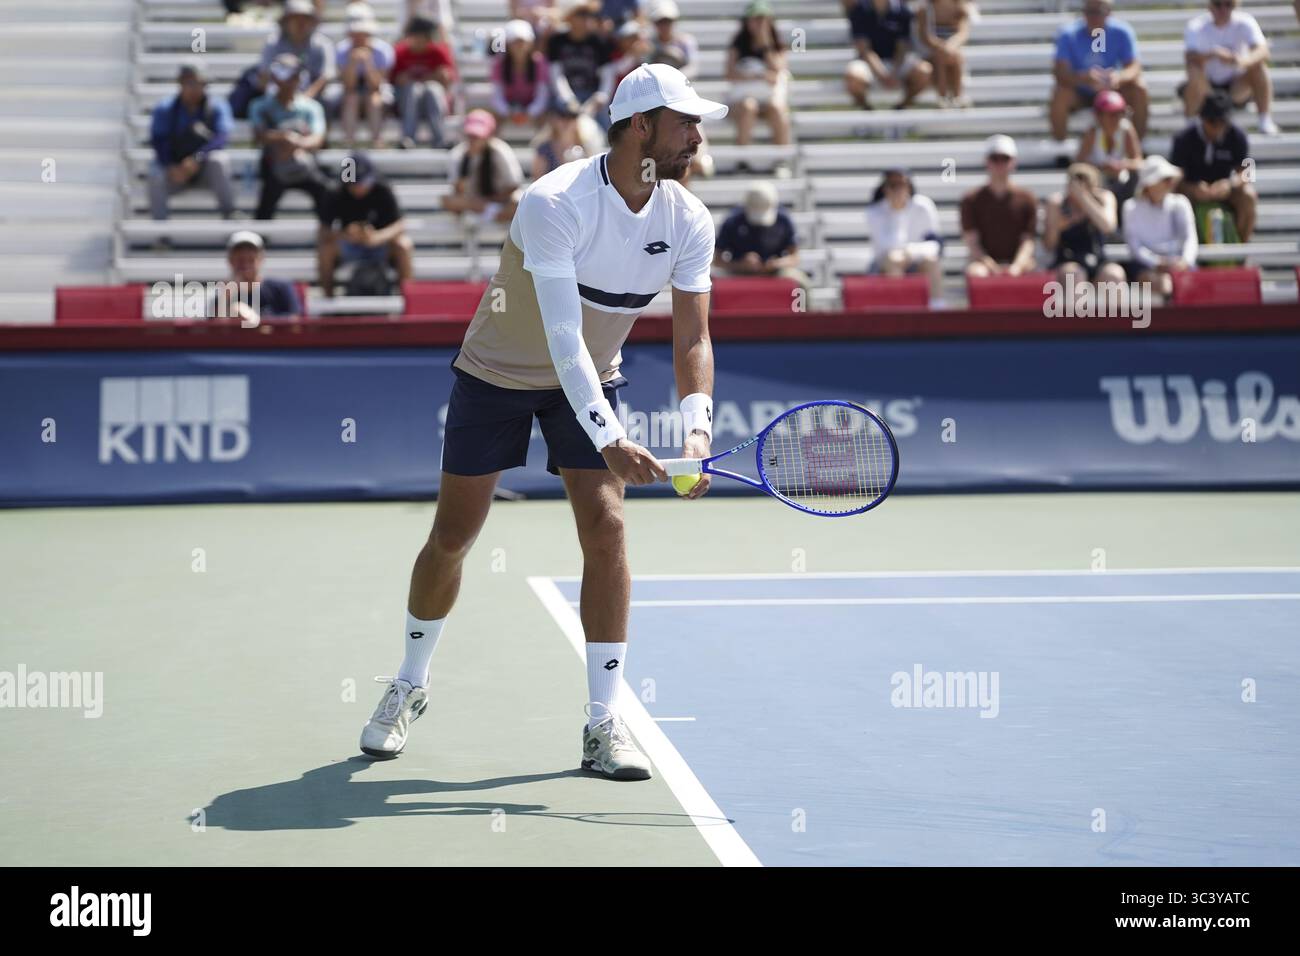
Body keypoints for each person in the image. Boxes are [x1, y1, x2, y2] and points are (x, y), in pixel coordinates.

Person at [358, 64, 730, 781]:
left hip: (589, 381)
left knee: (608, 528)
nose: (697, 135)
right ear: (641, 125)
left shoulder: (688, 218)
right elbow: (563, 338)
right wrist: (611, 437)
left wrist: (697, 431)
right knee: (454, 536)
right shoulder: (554, 200)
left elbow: (693, 340)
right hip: (498, 375)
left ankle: (602, 724)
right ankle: (409, 680)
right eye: (685, 121)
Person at [317, 153, 414, 298]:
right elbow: (323, 231)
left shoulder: (382, 188)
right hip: (350, 246)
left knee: (404, 245)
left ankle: (408, 300)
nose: (360, 187)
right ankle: (328, 303)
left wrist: (377, 237)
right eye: (355, 183)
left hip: (380, 244)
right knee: (326, 250)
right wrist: (347, 235)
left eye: (363, 182)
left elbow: (400, 224)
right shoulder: (335, 192)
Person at [148, 63, 235, 222]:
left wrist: (197, 159)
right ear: (180, 83)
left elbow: (221, 138)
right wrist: (170, 165)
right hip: (175, 171)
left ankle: (230, 216)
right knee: (155, 172)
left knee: (219, 160)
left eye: (201, 84)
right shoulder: (165, 108)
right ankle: (160, 234)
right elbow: (158, 140)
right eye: (191, 83)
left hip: (205, 170)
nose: (196, 88)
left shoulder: (217, 107)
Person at [1050, 0, 1148, 141]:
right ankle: (1059, 147)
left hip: (1115, 91)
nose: (1093, 17)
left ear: (1109, 12)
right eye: (1089, 11)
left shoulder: (1122, 31)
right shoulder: (1068, 34)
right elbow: (1060, 72)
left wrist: (1118, 77)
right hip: (1081, 93)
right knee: (1061, 94)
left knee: (1139, 88)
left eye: (1098, 12)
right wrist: (1084, 78)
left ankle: (1137, 145)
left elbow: (1134, 67)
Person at [249, 55, 330, 220]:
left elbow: (318, 139)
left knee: (327, 193)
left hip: (305, 164)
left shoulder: (311, 107)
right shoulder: (259, 105)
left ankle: (327, 236)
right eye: (284, 74)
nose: (289, 80)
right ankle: (259, 239)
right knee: (265, 206)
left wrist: (295, 144)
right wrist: (284, 139)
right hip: (273, 166)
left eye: (294, 75)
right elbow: (259, 136)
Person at [1182, 0, 1279, 135]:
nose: (1223, 9)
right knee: (1193, 69)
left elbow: (1263, 51)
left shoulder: (1245, 21)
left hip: (1236, 88)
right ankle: (1190, 126)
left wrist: (1240, 61)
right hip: (1206, 89)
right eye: (1218, 4)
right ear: (1210, 6)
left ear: (1235, 6)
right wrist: (1213, 54)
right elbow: (1189, 56)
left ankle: (1265, 120)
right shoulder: (1196, 25)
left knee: (1259, 67)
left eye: (1228, 5)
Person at [1171, 91, 1256, 241]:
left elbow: (1248, 172)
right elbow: (1174, 175)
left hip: (1226, 192)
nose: (1217, 127)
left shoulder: (1238, 136)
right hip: (1192, 193)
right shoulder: (1183, 138)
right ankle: (1188, 247)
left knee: (1249, 196)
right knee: (1176, 199)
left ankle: (1240, 252)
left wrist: (1230, 185)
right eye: (1212, 121)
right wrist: (1192, 188)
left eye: (1222, 122)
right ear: (1202, 118)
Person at [961, 134, 1039, 278]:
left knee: (1032, 269)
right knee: (977, 273)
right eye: (994, 158)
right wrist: (992, 266)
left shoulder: (1027, 198)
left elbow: (1028, 241)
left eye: (1005, 158)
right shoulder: (971, 199)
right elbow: (972, 243)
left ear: (1013, 162)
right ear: (986, 161)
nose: (999, 163)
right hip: (983, 263)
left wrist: (1016, 266)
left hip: (1018, 261)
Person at [713, 182, 811, 296]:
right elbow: (718, 260)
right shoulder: (733, 221)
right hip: (739, 272)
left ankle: (803, 312)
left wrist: (777, 263)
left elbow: (795, 257)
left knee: (802, 282)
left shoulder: (784, 219)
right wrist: (740, 264)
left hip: (775, 272)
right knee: (710, 284)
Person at [726, 0, 792, 166]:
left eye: (763, 19)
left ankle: (781, 161)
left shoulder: (776, 45)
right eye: (756, 18)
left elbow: (778, 71)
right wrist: (758, 76)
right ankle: (741, 161)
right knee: (749, 107)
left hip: (768, 101)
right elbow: (730, 74)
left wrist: (765, 45)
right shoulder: (738, 43)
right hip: (741, 101)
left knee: (777, 108)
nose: (760, 23)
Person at [865, 169, 944, 304]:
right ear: (885, 189)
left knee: (931, 261)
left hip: (917, 258)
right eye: (893, 185)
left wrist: (910, 252)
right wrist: (897, 211)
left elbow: (935, 244)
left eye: (902, 184)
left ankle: (938, 309)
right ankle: (901, 307)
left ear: (909, 186)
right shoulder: (874, 212)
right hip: (884, 265)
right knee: (894, 259)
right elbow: (885, 247)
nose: (898, 189)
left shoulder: (924, 206)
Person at [1122, 155, 1197, 297]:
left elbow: (1190, 238)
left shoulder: (1180, 203)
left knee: (1193, 285)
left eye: (1170, 179)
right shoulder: (1131, 207)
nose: (1170, 183)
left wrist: (1185, 261)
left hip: (1178, 262)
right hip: (1145, 266)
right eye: (1164, 179)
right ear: (1149, 184)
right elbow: (1135, 247)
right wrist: (1157, 262)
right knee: (1164, 285)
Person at [1043, 163, 1125, 288]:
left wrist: (1083, 198)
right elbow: (1049, 244)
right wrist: (1067, 222)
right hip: (1068, 259)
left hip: (1097, 258)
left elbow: (1108, 226)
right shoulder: (1057, 203)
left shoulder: (1104, 198)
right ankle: (1077, 309)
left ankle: (1114, 309)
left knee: (1114, 275)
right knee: (1074, 275)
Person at [843, 0, 934, 111]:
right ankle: (867, 111)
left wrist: (894, 73)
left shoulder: (902, 10)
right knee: (853, 77)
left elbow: (902, 47)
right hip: (868, 63)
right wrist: (883, 75)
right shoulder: (859, 10)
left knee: (924, 71)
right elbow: (865, 50)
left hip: (897, 62)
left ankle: (901, 108)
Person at [440, 109, 525, 225]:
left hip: (500, 203)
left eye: (477, 136)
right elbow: (458, 190)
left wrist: (489, 201)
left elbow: (513, 185)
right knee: (447, 200)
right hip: (472, 204)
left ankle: (496, 215)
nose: (473, 140)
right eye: (470, 136)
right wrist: (466, 166)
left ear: (488, 136)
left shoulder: (500, 151)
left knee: (518, 201)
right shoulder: (459, 155)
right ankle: (492, 215)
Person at [332, 4, 395, 148]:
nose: (358, 37)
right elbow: (349, 86)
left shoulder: (382, 50)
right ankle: (348, 141)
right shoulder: (342, 50)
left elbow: (376, 85)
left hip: (376, 94)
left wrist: (367, 63)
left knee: (374, 100)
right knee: (351, 98)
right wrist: (353, 63)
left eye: (362, 33)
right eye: (354, 33)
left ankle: (377, 141)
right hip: (351, 95)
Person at [546, 0, 615, 132]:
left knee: (606, 122)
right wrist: (568, 99)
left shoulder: (599, 42)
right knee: (556, 115)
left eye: (589, 14)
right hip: (565, 96)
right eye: (581, 14)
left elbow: (607, 73)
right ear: (569, 17)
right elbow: (556, 74)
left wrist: (599, 98)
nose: (587, 18)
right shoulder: (556, 41)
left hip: (592, 95)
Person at [392, 15, 458, 149]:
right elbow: (396, 80)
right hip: (407, 103)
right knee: (412, 89)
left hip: (433, 103)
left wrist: (435, 78)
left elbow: (447, 79)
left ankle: (439, 139)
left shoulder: (439, 51)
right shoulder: (400, 52)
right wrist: (430, 77)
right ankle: (408, 138)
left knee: (432, 89)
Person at [1074, 89, 1143, 212]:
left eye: (1119, 113)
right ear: (1099, 116)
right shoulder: (1092, 133)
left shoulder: (1126, 130)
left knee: (1135, 178)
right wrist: (1101, 167)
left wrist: (1121, 165)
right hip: (1097, 184)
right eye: (1112, 114)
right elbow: (1079, 163)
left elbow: (1138, 161)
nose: (1116, 118)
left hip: (1121, 182)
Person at [212, 230, 303, 321]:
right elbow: (214, 328)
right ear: (230, 261)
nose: (246, 265)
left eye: (251, 259)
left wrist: (255, 319)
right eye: (240, 260)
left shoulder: (281, 288)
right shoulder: (223, 294)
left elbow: (295, 320)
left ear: (261, 259)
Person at [259, 0, 335, 102]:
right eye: (295, 18)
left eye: (305, 19)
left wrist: (305, 99)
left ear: (311, 22)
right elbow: (264, 76)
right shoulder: (273, 43)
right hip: (277, 97)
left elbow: (325, 77)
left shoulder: (322, 44)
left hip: (312, 99)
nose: (301, 23)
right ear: (286, 22)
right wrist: (279, 99)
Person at [490, 18, 552, 129]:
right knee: (493, 120)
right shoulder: (499, 63)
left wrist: (530, 112)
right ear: (508, 45)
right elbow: (497, 96)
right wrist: (508, 111)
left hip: (530, 107)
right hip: (509, 106)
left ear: (530, 43)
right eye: (515, 42)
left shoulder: (539, 63)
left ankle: (542, 145)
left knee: (545, 119)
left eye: (522, 42)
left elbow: (542, 96)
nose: (519, 46)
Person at [915, 0, 971, 108]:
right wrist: (941, 46)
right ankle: (944, 95)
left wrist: (950, 45)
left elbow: (963, 33)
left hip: (952, 50)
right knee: (941, 56)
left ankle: (956, 96)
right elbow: (925, 36)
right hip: (931, 51)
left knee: (955, 56)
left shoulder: (960, 8)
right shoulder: (924, 9)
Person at [530, 100, 602, 178]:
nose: (566, 121)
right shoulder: (544, 148)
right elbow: (537, 179)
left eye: (572, 117)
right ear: (554, 119)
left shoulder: (586, 147)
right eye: (562, 116)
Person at [645, 0, 698, 78]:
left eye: (668, 21)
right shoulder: (648, 44)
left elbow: (693, 68)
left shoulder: (686, 41)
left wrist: (672, 78)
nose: (664, 26)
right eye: (660, 22)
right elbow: (645, 66)